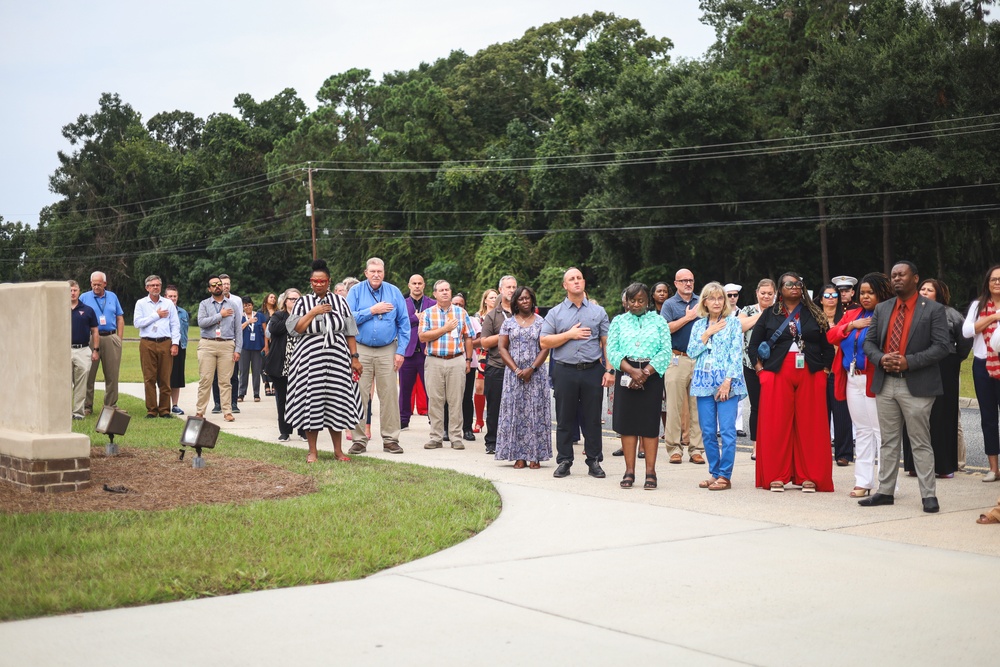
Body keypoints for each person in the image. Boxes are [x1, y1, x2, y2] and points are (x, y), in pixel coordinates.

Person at [860, 261, 951, 513]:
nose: (897, 279)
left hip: (918, 385)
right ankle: (885, 491)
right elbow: (868, 344)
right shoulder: (882, 308)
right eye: (893, 276)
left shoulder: (932, 309)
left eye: (902, 275)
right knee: (888, 441)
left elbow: (942, 346)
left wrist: (908, 362)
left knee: (920, 441)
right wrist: (880, 358)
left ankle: (928, 495)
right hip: (886, 382)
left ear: (915, 278)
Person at [748, 271, 834, 493]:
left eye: (798, 283)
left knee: (811, 426)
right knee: (776, 425)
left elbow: (827, 345)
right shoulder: (770, 314)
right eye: (789, 284)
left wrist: (824, 371)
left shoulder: (814, 313)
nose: (794, 287)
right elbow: (754, 345)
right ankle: (776, 476)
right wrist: (761, 372)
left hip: (811, 371)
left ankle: (809, 477)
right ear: (780, 289)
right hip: (776, 372)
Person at [286, 260, 364, 463]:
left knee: (336, 403)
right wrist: (313, 312)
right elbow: (296, 329)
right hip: (309, 360)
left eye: (322, 281)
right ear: (310, 282)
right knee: (312, 402)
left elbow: (350, 331)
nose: (318, 284)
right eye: (314, 281)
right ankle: (313, 451)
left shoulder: (340, 302)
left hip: (337, 359)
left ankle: (338, 451)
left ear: (328, 282)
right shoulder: (302, 303)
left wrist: (354, 358)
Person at [540, 268, 612, 479]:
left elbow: (606, 343)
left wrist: (609, 369)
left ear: (584, 282)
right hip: (565, 370)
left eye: (579, 278)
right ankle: (564, 460)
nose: (576, 281)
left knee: (592, 418)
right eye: (571, 279)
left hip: (592, 370)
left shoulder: (598, 312)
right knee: (565, 418)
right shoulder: (555, 313)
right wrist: (569, 335)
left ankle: (594, 460)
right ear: (565, 285)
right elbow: (544, 341)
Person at [827, 272, 892, 497]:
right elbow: (832, 336)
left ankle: (887, 482)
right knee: (862, 431)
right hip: (851, 377)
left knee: (880, 432)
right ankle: (863, 481)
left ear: (881, 294)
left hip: (874, 378)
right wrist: (851, 325)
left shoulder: (886, 315)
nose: (865, 297)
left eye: (870, 293)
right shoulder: (852, 314)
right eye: (863, 293)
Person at [902, 279, 970, 479]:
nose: (924, 291)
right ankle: (914, 464)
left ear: (939, 294)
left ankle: (943, 466)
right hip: (915, 363)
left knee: (942, 414)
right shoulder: (909, 311)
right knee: (915, 412)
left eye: (929, 289)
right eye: (922, 288)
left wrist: (955, 358)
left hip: (944, 365)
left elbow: (965, 338)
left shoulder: (950, 313)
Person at [606, 283, 672, 489]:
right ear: (626, 302)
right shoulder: (618, 321)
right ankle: (629, 471)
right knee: (627, 424)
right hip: (626, 372)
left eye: (640, 300)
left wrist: (646, 372)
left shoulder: (659, 321)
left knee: (649, 424)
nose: (636, 304)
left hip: (651, 375)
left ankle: (651, 472)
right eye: (632, 300)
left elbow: (665, 351)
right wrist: (632, 371)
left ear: (648, 301)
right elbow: (613, 350)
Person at [346, 258, 409, 455]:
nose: (376, 274)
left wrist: (401, 352)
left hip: (387, 349)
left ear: (384, 272)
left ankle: (391, 439)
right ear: (365, 273)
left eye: (379, 271)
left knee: (389, 394)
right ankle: (358, 440)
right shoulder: (355, 292)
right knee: (359, 394)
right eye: (372, 271)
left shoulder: (394, 292)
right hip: (361, 348)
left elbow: (404, 324)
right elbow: (348, 319)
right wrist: (372, 311)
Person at [688, 282, 746, 491]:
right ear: (704, 301)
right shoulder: (698, 325)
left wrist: (727, 382)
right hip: (703, 381)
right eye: (712, 298)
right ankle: (714, 472)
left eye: (720, 298)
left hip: (726, 383)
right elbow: (692, 351)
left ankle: (725, 475)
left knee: (728, 431)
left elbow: (735, 354)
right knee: (708, 431)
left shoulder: (733, 324)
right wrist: (708, 332)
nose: (716, 302)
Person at [494, 286, 551, 468]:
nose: (525, 301)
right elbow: (502, 348)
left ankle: (535, 456)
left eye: (528, 298)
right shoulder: (508, 323)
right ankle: (518, 455)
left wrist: (532, 369)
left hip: (536, 374)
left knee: (536, 413)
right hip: (514, 376)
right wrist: (517, 370)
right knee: (516, 412)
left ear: (532, 300)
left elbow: (546, 347)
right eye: (521, 299)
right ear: (515, 302)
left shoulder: (542, 322)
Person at [418, 281, 475, 449]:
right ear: (434, 294)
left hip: (456, 359)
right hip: (434, 360)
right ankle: (436, 437)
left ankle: (456, 437)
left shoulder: (461, 312)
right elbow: (422, 337)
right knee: (435, 400)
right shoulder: (428, 313)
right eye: (441, 290)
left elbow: (469, 337)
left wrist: (468, 360)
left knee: (456, 400)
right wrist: (445, 328)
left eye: (447, 290)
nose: (445, 293)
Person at [660, 268, 706, 465]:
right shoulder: (669, 305)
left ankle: (696, 449)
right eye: (684, 280)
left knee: (699, 407)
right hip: (676, 358)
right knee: (674, 407)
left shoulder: (702, 301)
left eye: (691, 280)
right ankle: (674, 449)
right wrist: (687, 318)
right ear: (676, 283)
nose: (688, 283)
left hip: (699, 359)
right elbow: (664, 329)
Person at [962, 264, 1000, 483]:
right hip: (982, 365)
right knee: (988, 417)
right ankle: (993, 468)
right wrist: (994, 317)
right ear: (987, 282)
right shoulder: (978, 305)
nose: (997, 282)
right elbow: (968, 331)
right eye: (993, 279)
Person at [816, 282, 853, 466]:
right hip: (819, 370)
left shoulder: (846, 318)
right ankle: (820, 452)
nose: (831, 299)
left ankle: (844, 453)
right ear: (821, 298)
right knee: (820, 414)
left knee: (842, 413)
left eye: (835, 296)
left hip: (839, 371)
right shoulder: (814, 318)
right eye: (827, 296)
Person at [133, 274, 180, 419]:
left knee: (165, 378)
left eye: (158, 285)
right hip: (147, 342)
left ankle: (165, 410)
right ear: (147, 287)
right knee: (149, 377)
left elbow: (175, 324)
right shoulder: (141, 303)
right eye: (152, 285)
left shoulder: (168, 303)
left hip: (165, 342)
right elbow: (137, 323)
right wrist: (156, 315)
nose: (155, 287)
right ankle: (152, 410)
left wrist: (175, 343)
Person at [738, 279, 776, 460]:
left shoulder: (781, 311)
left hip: (776, 365)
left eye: (770, 293)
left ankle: (773, 445)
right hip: (751, 364)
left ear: (775, 293)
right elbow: (740, 326)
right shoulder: (747, 310)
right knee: (756, 407)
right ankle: (756, 447)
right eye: (763, 293)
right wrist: (764, 315)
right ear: (757, 293)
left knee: (776, 407)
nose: (766, 296)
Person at [195, 276, 242, 422]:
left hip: (227, 344)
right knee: (206, 380)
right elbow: (201, 322)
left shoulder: (233, 305)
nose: (217, 287)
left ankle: (227, 411)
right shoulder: (204, 304)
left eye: (219, 284)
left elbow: (238, 328)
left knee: (225, 381)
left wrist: (238, 349)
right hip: (207, 344)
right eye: (213, 285)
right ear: (209, 289)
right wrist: (219, 315)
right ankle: (200, 411)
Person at [481, 276, 518, 455]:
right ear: (500, 290)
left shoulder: (524, 313)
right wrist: (504, 333)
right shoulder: (492, 315)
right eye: (508, 287)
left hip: (520, 368)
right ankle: (492, 441)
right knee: (495, 406)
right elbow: (484, 342)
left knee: (518, 407)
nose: (511, 290)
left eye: (514, 287)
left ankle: (516, 440)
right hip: (497, 366)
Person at [79, 270, 124, 415]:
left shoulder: (112, 296)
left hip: (110, 337)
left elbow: (120, 318)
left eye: (99, 284)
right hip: (92, 338)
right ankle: (87, 406)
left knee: (112, 374)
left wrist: (119, 338)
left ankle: (110, 405)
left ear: (105, 283)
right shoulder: (84, 297)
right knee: (89, 373)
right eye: (93, 284)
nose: (96, 287)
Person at [263, 288, 304, 442]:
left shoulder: (306, 317)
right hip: (281, 365)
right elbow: (273, 329)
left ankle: (303, 431)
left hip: (301, 363)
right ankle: (285, 431)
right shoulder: (278, 316)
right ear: (285, 301)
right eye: (291, 299)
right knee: (283, 399)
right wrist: (293, 320)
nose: (294, 302)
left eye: (297, 299)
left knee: (302, 398)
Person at [398, 274, 435, 430]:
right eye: (414, 283)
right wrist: (415, 318)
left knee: (431, 389)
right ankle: (403, 420)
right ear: (409, 285)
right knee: (405, 389)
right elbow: (399, 322)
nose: (417, 286)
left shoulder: (432, 303)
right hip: (407, 352)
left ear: (424, 285)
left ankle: (434, 420)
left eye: (420, 283)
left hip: (427, 352)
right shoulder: (402, 303)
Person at [212, 274, 243, 414]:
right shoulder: (211, 302)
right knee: (216, 375)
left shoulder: (236, 301)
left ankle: (233, 402)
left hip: (231, 341)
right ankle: (217, 403)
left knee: (233, 374)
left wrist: (238, 346)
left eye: (227, 284)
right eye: (222, 283)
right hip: (216, 341)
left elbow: (238, 324)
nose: (225, 286)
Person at [451, 292, 480, 441]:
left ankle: (467, 428)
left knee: (466, 396)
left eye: (460, 304)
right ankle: (447, 428)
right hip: (449, 360)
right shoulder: (445, 318)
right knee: (448, 397)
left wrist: (465, 344)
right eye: (455, 304)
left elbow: (480, 339)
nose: (457, 306)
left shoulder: (471, 320)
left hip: (468, 361)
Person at [69, 280, 99, 420]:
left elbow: (94, 331)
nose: (72, 293)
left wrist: (95, 350)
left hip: (82, 349)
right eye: (70, 290)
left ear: (79, 291)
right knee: (63, 383)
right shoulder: (58, 308)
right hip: (63, 350)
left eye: (75, 290)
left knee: (81, 383)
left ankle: (77, 413)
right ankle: (63, 412)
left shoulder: (87, 310)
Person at [473, 289, 498, 433]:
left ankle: (492, 421)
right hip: (481, 354)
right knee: (479, 388)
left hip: (496, 353)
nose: (494, 299)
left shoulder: (502, 315)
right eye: (491, 297)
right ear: (485, 300)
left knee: (493, 389)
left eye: (496, 297)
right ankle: (479, 421)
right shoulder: (478, 317)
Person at [724, 282, 748, 438]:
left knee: (738, 391)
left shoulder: (743, 313)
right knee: (720, 390)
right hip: (722, 357)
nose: (733, 298)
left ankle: (738, 425)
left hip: (739, 356)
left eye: (735, 295)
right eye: (729, 295)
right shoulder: (720, 313)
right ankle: (721, 426)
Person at [164, 285, 189, 415]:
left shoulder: (183, 313)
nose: (173, 298)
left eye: (175, 296)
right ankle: (164, 404)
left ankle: (175, 405)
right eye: (170, 296)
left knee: (177, 377)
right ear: (165, 297)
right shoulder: (162, 311)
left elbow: (185, 331)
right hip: (165, 346)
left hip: (180, 346)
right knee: (165, 376)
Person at [238, 298, 265, 403]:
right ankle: (241, 393)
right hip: (244, 347)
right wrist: (248, 322)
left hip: (257, 347)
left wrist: (266, 345)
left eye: (249, 305)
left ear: (252, 305)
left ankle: (256, 393)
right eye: (245, 305)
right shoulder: (241, 317)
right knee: (243, 371)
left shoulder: (259, 316)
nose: (247, 307)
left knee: (256, 371)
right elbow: (238, 329)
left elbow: (265, 331)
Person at [259, 292, 278, 396]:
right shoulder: (261, 312)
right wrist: (265, 344)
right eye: (271, 297)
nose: (273, 299)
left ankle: (275, 385)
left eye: (274, 298)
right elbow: (261, 329)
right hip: (263, 340)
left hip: (275, 340)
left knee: (275, 362)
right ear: (266, 299)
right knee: (264, 362)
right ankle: (266, 384)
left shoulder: (278, 312)